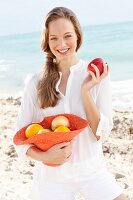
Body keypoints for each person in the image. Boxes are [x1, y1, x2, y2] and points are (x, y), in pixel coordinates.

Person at [14, 7, 127, 200]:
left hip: (92, 171)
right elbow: (20, 138)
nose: (62, 44)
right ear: (47, 41)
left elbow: (101, 133)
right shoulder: (36, 83)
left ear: (78, 36)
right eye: (54, 38)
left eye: (68, 36)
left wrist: (86, 91)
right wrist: (45, 157)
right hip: (52, 178)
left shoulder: (96, 75)